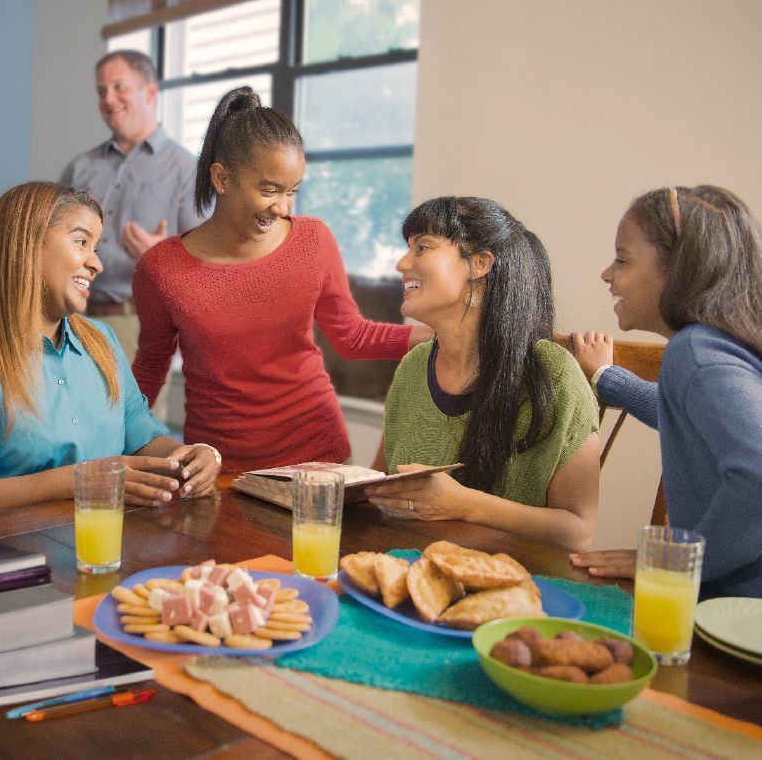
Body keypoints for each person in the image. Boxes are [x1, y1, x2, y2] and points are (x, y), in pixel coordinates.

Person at [132, 86, 431, 473]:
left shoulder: (313, 240)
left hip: (319, 454)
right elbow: (152, 365)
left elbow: (351, 336)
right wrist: (117, 439)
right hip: (220, 468)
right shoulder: (161, 268)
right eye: (269, 190)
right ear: (222, 178)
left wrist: (441, 335)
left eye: (292, 191)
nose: (283, 207)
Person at [0, 183, 220, 518]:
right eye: (81, 242)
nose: (96, 264)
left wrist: (189, 456)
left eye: (96, 248)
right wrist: (83, 480)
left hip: (112, 541)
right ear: (27, 244)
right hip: (13, 554)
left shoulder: (102, 341)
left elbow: (139, 434)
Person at [364, 196, 601, 553]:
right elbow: (380, 487)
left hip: (513, 589)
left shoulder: (553, 375)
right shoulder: (413, 368)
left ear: (479, 263)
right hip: (406, 575)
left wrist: (465, 504)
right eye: (407, 248)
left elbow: (579, 532)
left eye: (422, 247)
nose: (401, 263)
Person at [569, 185, 762, 598]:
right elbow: (681, 415)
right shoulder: (716, 348)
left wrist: (676, 560)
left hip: (736, 617)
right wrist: (606, 377)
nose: (607, 274)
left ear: (678, 271)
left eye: (622, 260)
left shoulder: (695, 351)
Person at [59, 50, 205, 363]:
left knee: (131, 414)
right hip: (69, 318)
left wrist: (161, 256)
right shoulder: (80, 168)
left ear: (150, 92)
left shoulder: (186, 170)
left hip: (137, 328)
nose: (109, 100)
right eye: (102, 92)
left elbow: (204, 269)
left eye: (119, 87)